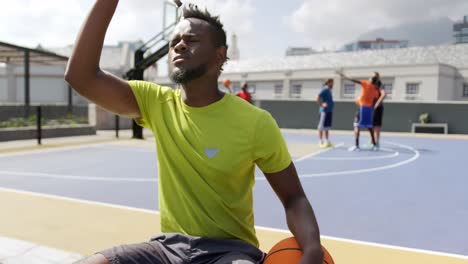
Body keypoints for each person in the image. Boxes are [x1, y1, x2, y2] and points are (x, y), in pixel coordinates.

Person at [65, 1, 323, 264]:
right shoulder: (155, 102)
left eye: (191, 39)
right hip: (168, 248)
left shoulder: (255, 122)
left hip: (230, 252)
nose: (178, 45)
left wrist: (313, 249)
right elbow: (81, 76)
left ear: (219, 55)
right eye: (173, 41)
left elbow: (294, 198)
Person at [338, 72, 379, 151]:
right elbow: (374, 101)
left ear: (371, 80)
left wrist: (345, 76)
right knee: (370, 127)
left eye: (370, 78)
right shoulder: (376, 91)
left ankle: (356, 146)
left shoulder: (366, 83)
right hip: (369, 109)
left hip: (362, 107)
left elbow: (354, 80)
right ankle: (374, 145)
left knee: (356, 126)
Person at [316, 79, 334, 148]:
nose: (333, 84)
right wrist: (321, 104)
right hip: (324, 111)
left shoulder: (329, 90)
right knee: (321, 127)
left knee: (327, 127)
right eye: (332, 83)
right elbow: (318, 97)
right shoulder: (324, 89)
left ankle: (327, 141)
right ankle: (320, 141)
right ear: (328, 83)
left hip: (329, 111)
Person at [373, 77, 386, 149]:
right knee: (372, 125)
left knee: (377, 126)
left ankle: (377, 143)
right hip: (372, 107)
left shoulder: (380, 85)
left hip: (378, 108)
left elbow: (384, 94)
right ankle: (373, 142)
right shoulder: (372, 85)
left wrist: (377, 103)